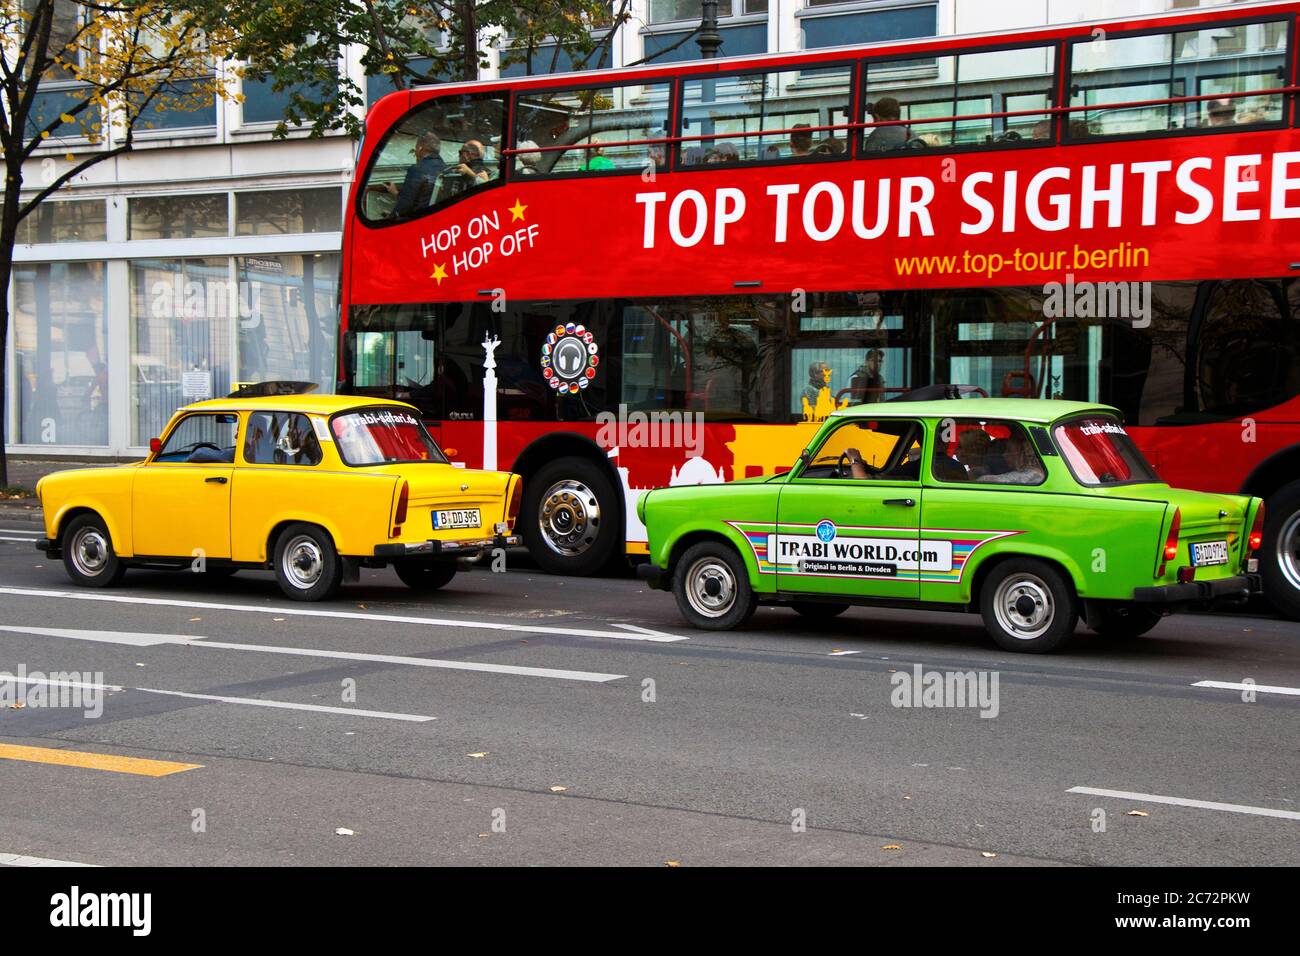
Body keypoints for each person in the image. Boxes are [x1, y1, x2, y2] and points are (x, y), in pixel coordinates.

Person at [373, 131, 445, 218]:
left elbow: (404, 206)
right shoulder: (445, 168)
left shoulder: (417, 170)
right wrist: (396, 192)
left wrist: (390, 218)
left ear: (420, 148)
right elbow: (424, 197)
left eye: (416, 147)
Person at [981, 432, 1046, 484]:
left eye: (1009, 450)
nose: (1004, 455)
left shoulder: (1034, 475)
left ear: (1023, 454)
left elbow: (987, 480)